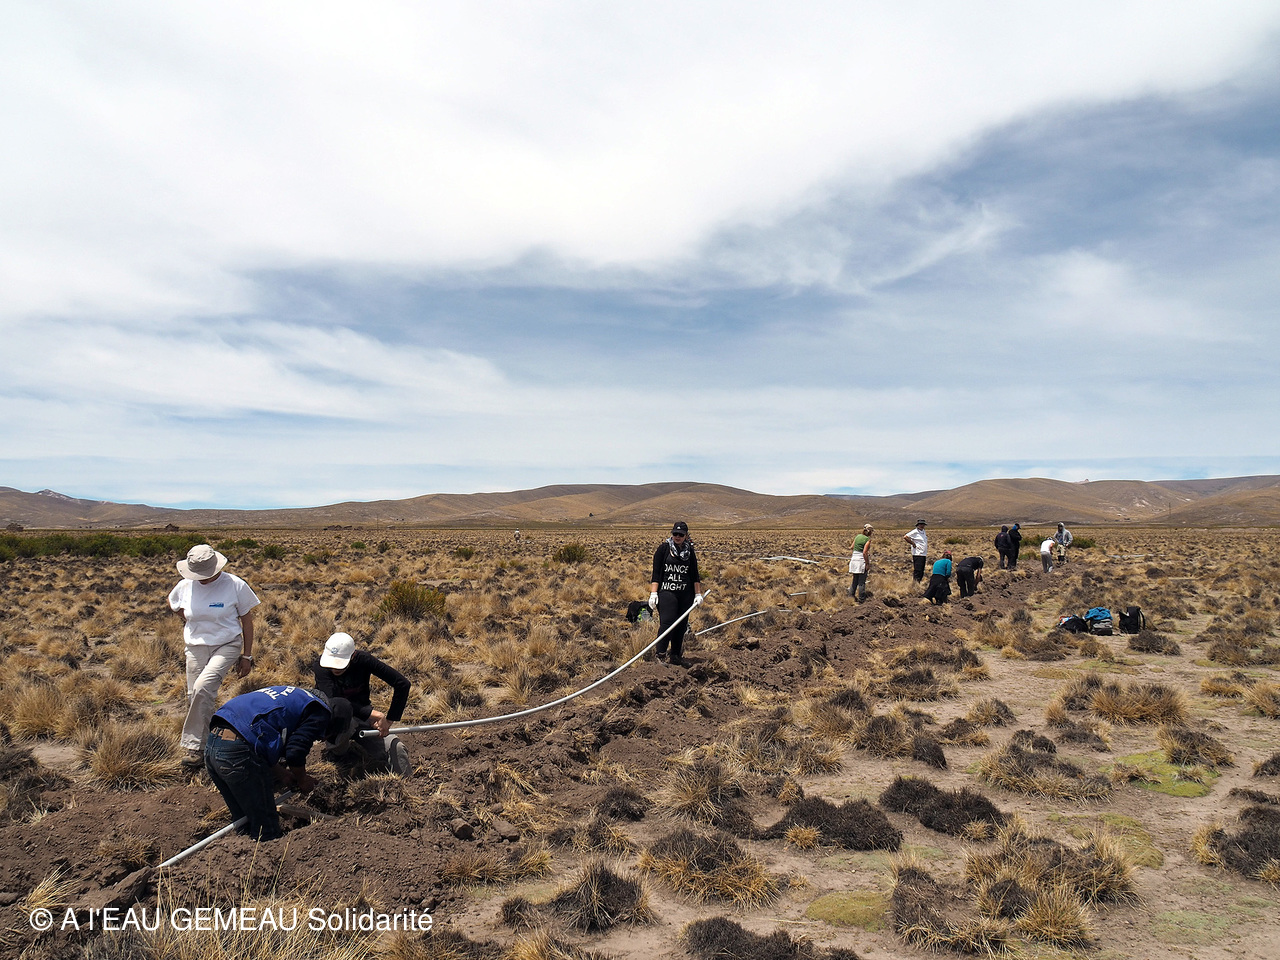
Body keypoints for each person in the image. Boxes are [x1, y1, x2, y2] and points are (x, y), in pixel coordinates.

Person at [205, 685, 346, 841]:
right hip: (237, 750)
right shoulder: (320, 711)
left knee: (244, 821)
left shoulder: (295, 697)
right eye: (324, 736)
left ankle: (243, 853)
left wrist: (282, 774)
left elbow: (259, 737)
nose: (320, 739)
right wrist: (302, 779)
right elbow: (295, 751)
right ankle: (265, 851)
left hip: (214, 744)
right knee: (266, 829)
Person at [168, 544, 260, 770]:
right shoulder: (185, 586)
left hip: (227, 644)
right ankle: (214, 741)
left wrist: (247, 656)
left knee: (203, 687)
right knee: (195, 695)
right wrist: (193, 621)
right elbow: (174, 604)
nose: (202, 579)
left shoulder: (235, 585)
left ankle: (195, 748)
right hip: (195, 646)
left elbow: (247, 622)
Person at [314, 632, 412, 775]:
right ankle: (338, 755)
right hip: (336, 720)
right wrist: (373, 714)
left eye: (340, 663)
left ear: (353, 656)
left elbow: (402, 684)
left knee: (396, 748)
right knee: (345, 724)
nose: (335, 668)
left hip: (363, 720)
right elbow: (333, 701)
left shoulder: (363, 660)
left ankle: (405, 782)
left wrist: (389, 720)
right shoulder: (320, 667)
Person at [648, 521, 703, 666]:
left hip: (685, 594)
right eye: (675, 534)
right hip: (667, 592)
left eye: (681, 534)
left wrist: (697, 594)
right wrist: (653, 593)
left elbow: (695, 575)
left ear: (686, 536)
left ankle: (675, 655)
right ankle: (660, 655)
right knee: (667, 622)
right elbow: (656, 573)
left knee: (681, 625)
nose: (677, 537)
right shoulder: (663, 549)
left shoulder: (690, 552)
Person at [848, 524, 874, 602]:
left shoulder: (857, 536)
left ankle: (850, 597)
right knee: (861, 582)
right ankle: (861, 599)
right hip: (861, 561)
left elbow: (851, 547)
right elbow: (864, 552)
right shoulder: (867, 540)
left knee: (855, 580)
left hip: (854, 559)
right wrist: (867, 563)